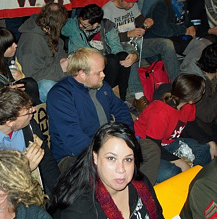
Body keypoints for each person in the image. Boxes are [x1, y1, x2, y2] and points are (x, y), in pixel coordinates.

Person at [50, 123, 165, 219]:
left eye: (128, 159)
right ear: (95, 158)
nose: (121, 169)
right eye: (112, 158)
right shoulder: (78, 209)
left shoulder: (140, 183)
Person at [46, 47, 161, 183]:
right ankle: (122, 189)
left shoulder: (101, 86)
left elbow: (121, 110)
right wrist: (108, 154)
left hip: (107, 145)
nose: (104, 75)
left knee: (150, 148)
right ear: (82, 74)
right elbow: (74, 140)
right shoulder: (60, 95)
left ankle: (135, 191)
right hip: (76, 157)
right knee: (97, 172)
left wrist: (125, 137)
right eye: (99, 72)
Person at [0, 87, 60, 198]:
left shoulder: (29, 124)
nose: (33, 111)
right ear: (10, 122)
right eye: (27, 112)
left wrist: (60, 195)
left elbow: (47, 162)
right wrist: (24, 168)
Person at [103, 0, 181, 111]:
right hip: (119, 47)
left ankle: (177, 85)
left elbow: (140, 21)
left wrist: (147, 22)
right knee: (130, 51)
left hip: (137, 44)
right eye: (127, 2)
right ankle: (138, 96)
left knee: (166, 44)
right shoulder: (107, 10)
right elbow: (106, 39)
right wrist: (128, 34)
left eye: (133, 2)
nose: (131, 5)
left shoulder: (132, 5)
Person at [135, 73, 212, 183]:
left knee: (205, 150)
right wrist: (178, 161)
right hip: (146, 146)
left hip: (167, 142)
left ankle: (195, 182)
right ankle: (183, 183)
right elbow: (153, 144)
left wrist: (210, 141)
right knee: (171, 171)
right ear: (191, 99)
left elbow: (191, 126)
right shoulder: (160, 112)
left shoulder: (188, 106)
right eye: (202, 93)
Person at [61, 4, 136, 100]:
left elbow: (116, 48)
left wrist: (134, 55)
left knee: (122, 56)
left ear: (96, 24)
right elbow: (58, 28)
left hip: (101, 63)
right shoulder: (73, 25)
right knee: (112, 60)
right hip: (82, 61)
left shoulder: (107, 26)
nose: (80, 25)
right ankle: (107, 97)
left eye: (84, 25)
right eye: (80, 22)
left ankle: (120, 98)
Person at [177, 43, 217, 151]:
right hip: (197, 131)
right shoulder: (193, 82)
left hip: (214, 125)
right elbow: (206, 116)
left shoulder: (214, 77)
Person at [147, 0, 211, 66]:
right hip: (161, 39)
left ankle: (192, 69)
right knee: (199, 46)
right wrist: (184, 30)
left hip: (176, 36)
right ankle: (186, 72)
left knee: (207, 43)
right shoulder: (161, 5)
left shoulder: (181, 3)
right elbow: (161, 30)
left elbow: (186, 20)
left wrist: (190, 25)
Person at [16, 2, 68, 102]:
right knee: (48, 87)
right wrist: (60, 68)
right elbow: (32, 77)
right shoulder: (32, 42)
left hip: (51, 73)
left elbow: (60, 52)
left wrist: (65, 60)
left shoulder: (49, 32)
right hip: (34, 87)